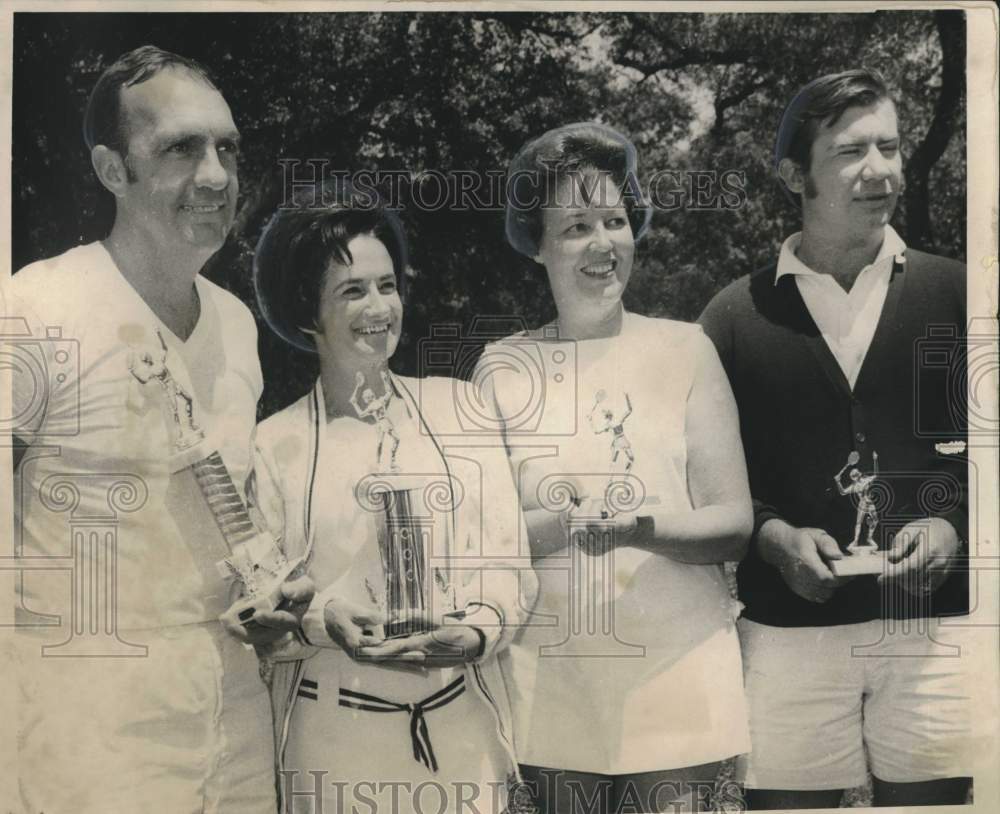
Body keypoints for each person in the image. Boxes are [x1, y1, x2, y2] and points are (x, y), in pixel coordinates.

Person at [6, 45, 308, 812]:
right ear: (113, 170)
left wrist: (271, 592)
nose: (216, 175)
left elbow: (225, 510)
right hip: (84, 741)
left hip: (231, 723)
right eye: (180, 148)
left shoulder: (237, 325)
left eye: (228, 148)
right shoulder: (36, 309)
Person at [699, 69, 971, 809]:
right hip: (789, 638)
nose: (879, 169)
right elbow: (707, 479)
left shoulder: (966, 295)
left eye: (890, 146)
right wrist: (772, 537)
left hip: (938, 634)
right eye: (851, 151)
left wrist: (953, 528)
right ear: (795, 174)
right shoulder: (731, 317)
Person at [478, 122, 753, 813]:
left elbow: (732, 521)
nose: (602, 244)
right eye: (574, 227)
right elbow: (485, 533)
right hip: (554, 679)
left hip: (676, 668)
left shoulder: (687, 350)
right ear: (536, 247)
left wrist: (638, 526)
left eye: (615, 220)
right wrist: (566, 524)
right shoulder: (504, 368)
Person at [250, 185, 537, 814]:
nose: (379, 308)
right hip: (334, 748)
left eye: (387, 285)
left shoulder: (461, 410)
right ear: (306, 313)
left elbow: (510, 564)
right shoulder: (273, 446)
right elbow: (262, 600)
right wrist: (324, 615)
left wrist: (476, 631)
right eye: (352, 291)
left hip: (462, 740)